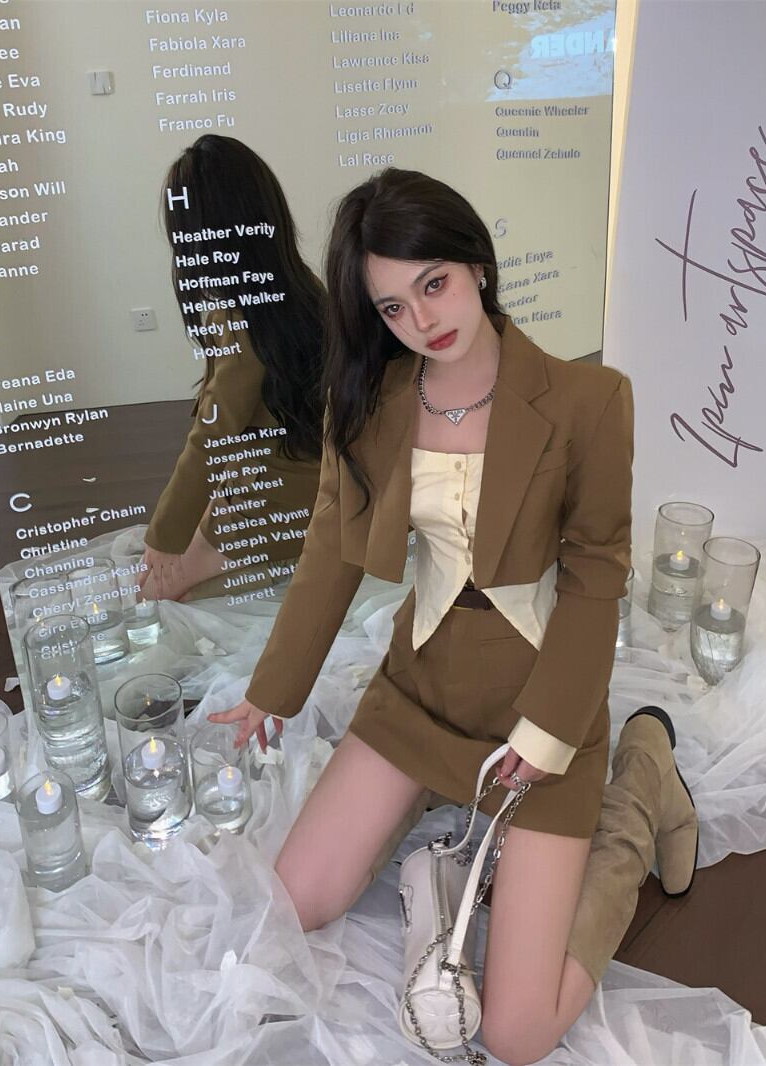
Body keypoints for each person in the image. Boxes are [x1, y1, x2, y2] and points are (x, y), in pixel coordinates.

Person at [210, 168, 699, 1064]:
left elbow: (596, 574)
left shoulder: (589, 401)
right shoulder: (369, 403)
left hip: (538, 704)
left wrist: (551, 732)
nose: (422, 320)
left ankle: (640, 782)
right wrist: (273, 689)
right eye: (393, 307)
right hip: (421, 687)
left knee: (516, 1034)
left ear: (476, 263)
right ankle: (424, 816)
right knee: (298, 899)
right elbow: (332, 547)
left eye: (433, 283)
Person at [139, 135, 325, 603]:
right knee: (164, 571)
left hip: (277, 497)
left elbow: (213, 432)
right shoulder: (302, 288)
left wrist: (165, 534)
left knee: (155, 591)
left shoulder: (242, 315)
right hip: (293, 482)